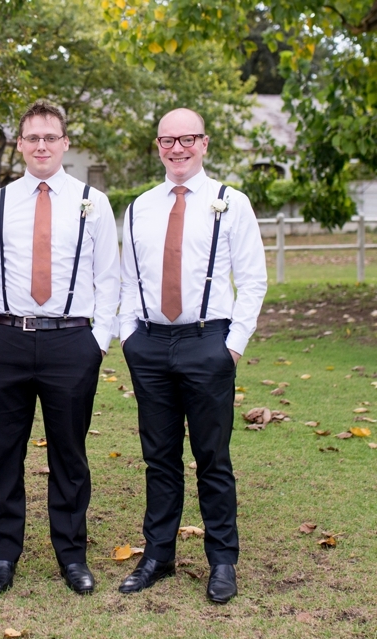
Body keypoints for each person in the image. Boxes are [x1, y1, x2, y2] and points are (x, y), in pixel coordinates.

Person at [118, 108, 266, 604]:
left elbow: (252, 279)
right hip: (150, 343)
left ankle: (222, 560)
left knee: (212, 458)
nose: (176, 149)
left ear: (204, 143)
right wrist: (128, 336)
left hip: (209, 343)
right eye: (167, 140)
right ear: (157, 146)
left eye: (186, 139)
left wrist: (233, 344)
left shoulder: (231, 202)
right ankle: (158, 555)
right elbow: (125, 278)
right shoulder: (139, 206)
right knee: (159, 457)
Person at [0, 101, 120, 595]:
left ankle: (71, 553)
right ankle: (3, 552)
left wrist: (97, 340)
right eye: (32, 138)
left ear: (64, 144)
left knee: (70, 454)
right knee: (4, 452)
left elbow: (108, 277)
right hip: (5, 339)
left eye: (50, 137)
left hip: (71, 342)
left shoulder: (92, 202)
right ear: (20, 144)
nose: (41, 146)